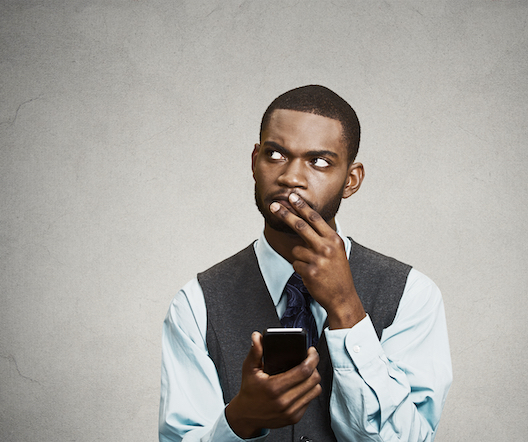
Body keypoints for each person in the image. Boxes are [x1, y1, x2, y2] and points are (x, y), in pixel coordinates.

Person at [159, 85, 452, 442]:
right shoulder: (196, 304)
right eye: (276, 154)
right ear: (255, 161)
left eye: (319, 161)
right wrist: (239, 420)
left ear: (351, 180)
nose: (291, 177)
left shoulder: (411, 295)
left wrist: (347, 309)